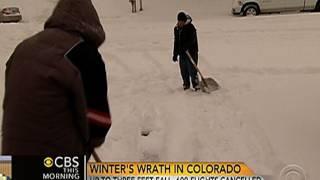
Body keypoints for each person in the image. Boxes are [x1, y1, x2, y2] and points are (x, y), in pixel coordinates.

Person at [2, 0, 111, 157]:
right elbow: (99, 125)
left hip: (9, 164)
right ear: (92, 28)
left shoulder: (22, 48)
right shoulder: (84, 54)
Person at [173, 11, 200, 91]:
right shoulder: (176, 29)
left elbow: (192, 40)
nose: (180, 23)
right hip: (182, 53)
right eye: (179, 21)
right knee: (183, 70)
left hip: (191, 52)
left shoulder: (191, 28)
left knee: (192, 69)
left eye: (181, 21)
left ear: (184, 21)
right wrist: (175, 54)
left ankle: (196, 85)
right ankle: (186, 84)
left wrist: (186, 47)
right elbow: (176, 42)